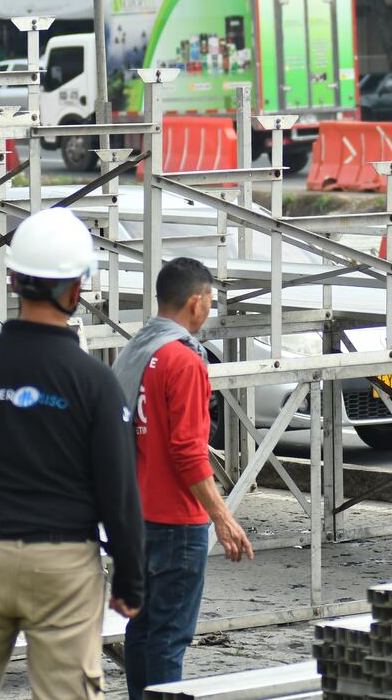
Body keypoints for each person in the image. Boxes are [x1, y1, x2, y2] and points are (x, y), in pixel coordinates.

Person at [0, 207, 144, 699]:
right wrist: (130, 578)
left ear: (15, 279)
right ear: (77, 289)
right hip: (63, 566)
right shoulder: (95, 384)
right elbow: (119, 493)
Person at [112, 258, 254, 697]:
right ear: (196, 302)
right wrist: (222, 516)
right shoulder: (184, 360)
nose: (209, 309)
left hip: (137, 514)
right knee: (169, 638)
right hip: (176, 521)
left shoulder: (136, 349)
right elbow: (188, 451)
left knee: (143, 631)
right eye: (210, 300)